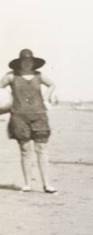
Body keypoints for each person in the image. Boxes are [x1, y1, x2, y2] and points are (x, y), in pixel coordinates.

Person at [0, 49, 57, 192]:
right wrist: (5, 105)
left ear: (33, 62)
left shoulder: (39, 75)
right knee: (25, 150)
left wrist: (46, 98)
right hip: (19, 117)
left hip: (39, 116)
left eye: (29, 61)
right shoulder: (11, 76)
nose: (27, 63)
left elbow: (52, 84)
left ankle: (47, 184)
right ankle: (27, 184)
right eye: (24, 61)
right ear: (19, 62)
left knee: (42, 149)